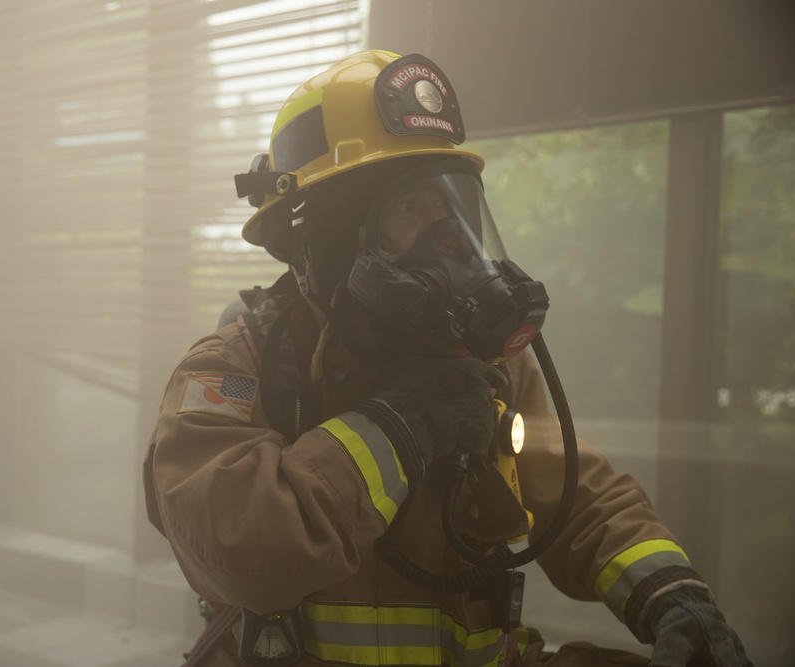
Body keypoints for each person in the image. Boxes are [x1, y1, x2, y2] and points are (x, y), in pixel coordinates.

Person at [143, 50, 752, 667]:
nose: (452, 240)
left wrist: (671, 594)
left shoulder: (484, 367)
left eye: (453, 206)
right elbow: (241, 551)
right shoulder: (236, 366)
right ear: (324, 238)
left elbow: (573, 495)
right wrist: (399, 426)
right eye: (411, 208)